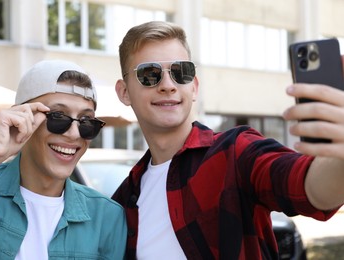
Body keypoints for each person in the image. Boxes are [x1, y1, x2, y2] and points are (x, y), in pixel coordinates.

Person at [112, 21, 344, 259]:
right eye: (149, 74)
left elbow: (308, 187)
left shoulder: (235, 151)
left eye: (181, 72)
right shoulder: (122, 201)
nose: (168, 86)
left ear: (194, 87)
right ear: (124, 92)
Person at [0, 60, 127, 259]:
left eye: (87, 122)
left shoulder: (106, 217)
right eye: (58, 117)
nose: (73, 134)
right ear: (20, 117)